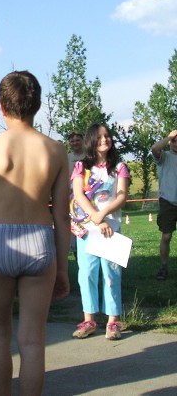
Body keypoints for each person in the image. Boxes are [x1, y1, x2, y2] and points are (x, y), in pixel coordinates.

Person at [0, 71, 71, 396]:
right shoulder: (56, 150)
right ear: (37, 105)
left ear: (1, 106)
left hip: (0, 240)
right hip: (41, 238)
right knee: (33, 339)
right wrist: (62, 269)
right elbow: (61, 215)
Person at [71, 123, 130, 341]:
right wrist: (96, 218)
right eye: (99, 136)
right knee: (86, 273)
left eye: (107, 136)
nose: (104, 139)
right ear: (91, 140)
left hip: (111, 231)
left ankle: (113, 321)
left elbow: (121, 195)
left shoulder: (119, 167)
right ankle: (89, 320)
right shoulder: (81, 167)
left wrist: (102, 215)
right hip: (87, 231)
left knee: (111, 274)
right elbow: (78, 195)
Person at [151, 129, 177, 281]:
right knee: (166, 236)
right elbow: (155, 148)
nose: (176, 144)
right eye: (174, 141)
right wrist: (169, 136)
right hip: (167, 201)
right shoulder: (164, 157)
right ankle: (164, 267)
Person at [67, 131, 85, 259]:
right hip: (71, 201)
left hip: (88, 199)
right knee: (75, 231)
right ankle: (78, 257)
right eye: (72, 141)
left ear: (83, 141)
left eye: (77, 140)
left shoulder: (90, 156)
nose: (75, 143)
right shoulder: (66, 158)